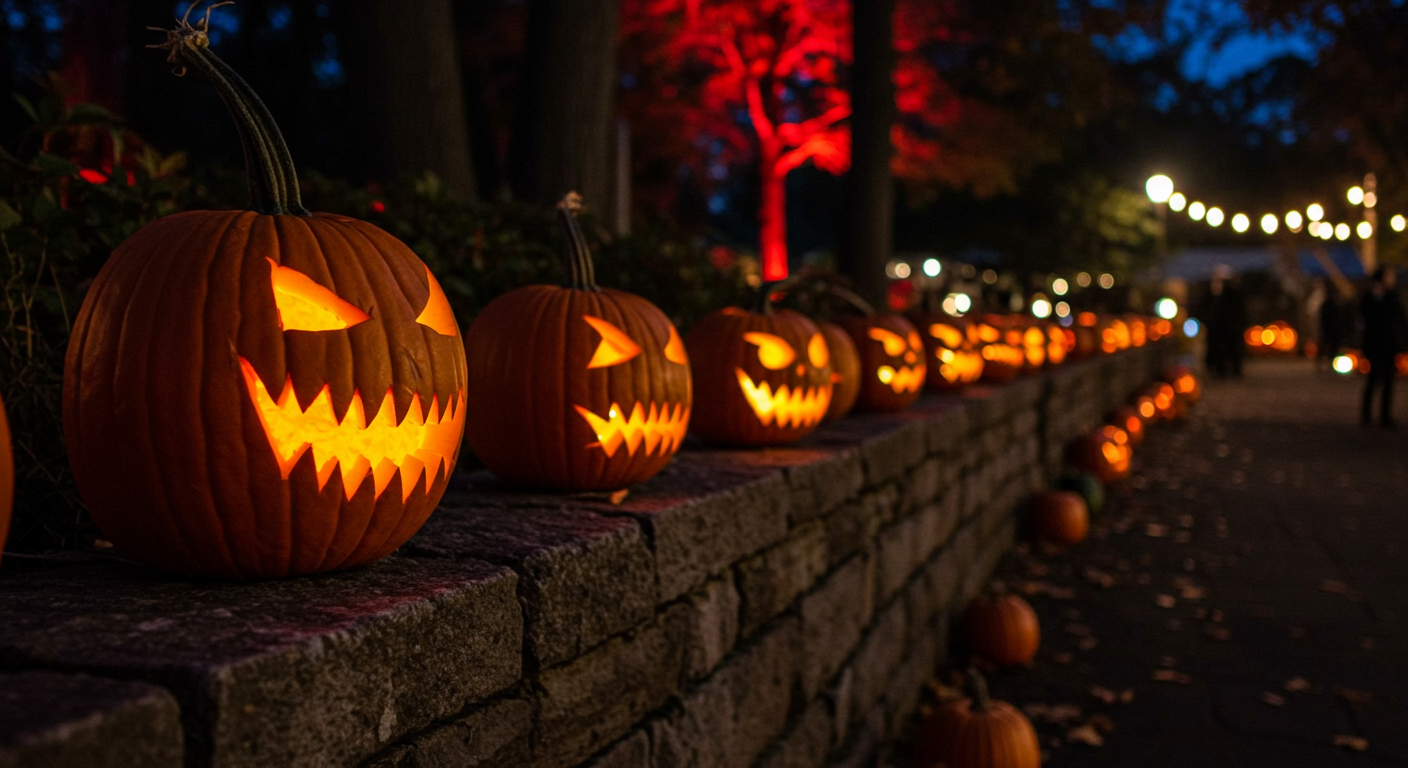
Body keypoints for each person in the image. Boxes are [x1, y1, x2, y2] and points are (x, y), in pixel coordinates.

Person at [1359, 266, 1405, 427]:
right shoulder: (1372, 295)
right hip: (1376, 342)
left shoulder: (1391, 295)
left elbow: (1399, 318)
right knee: (1374, 379)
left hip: (1387, 343)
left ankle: (1384, 416)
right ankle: (1367, 416)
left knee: (1387, 381)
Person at [1204, 265, 1248, 378]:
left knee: (1233, 349)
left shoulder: (1233, 293)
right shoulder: (1211, 293)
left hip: (1230, 326)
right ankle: (1219, 370)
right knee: (1217, 349)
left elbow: (1239, 309)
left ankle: (1234, 370)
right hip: (1216, 326)